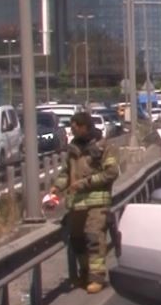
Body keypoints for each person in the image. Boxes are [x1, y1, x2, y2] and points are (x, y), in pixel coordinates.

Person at [50, 112, 119, 294]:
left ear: (85, 127)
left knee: (94, 237)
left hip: (97, 202)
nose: (73, 130)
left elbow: (111, 172)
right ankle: (85, 272)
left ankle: (97, 277)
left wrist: (87, 182)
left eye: (76, 127)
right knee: (78, 241)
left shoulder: (104, 147)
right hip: (76, 204)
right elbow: (66, 173)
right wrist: (57, 187)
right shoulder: (73, 149)